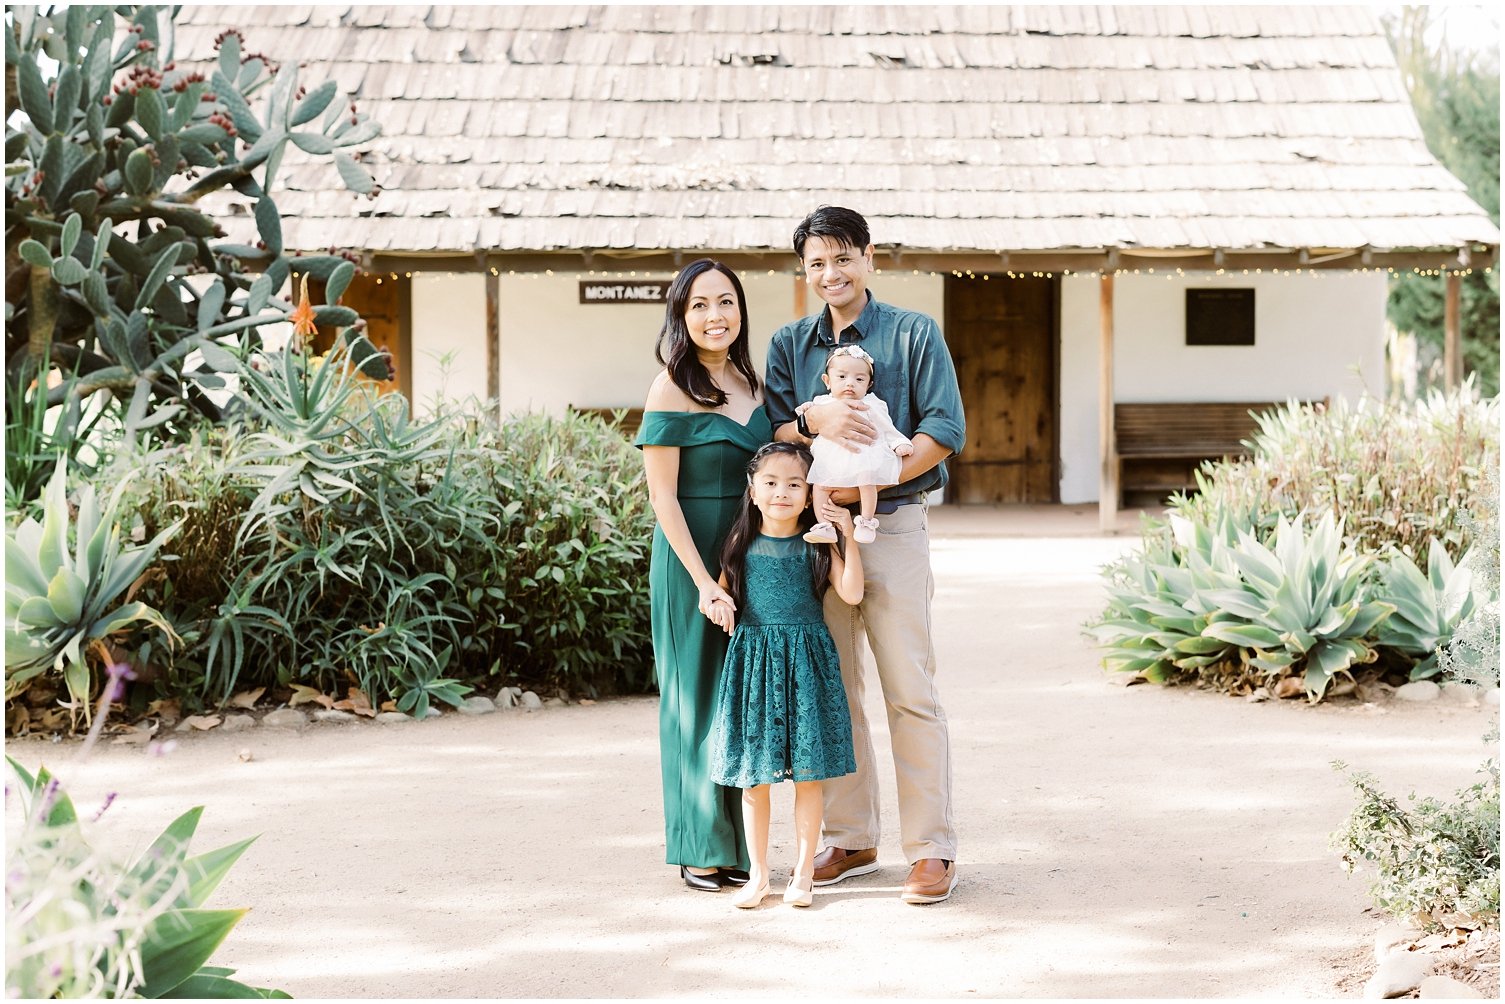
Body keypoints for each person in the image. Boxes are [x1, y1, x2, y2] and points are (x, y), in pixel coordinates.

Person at [764, 206, 967, 905]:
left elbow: (944, 427)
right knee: (832, 688)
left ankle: (931, 849)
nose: (830, 273)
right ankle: (850, 838)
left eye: (842, 258)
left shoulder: (913, 333)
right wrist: (807, 418)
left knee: (910, 690)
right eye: (816, 262)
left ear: (869, 257)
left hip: (894, 525)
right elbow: (773, 432)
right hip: (816, 534)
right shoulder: (789, 344)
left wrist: (870, 484)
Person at [635, 258, 771, 892]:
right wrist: (703, 583)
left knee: (740, 699)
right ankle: (699, 845)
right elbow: (663, 499)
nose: (715, 316)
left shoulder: (756, 383)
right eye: (699, 306)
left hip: (749, 558)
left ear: (740, 311)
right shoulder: (670, 387)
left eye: (726, 302)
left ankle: (744, 844)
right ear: (681, 318)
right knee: (694, 700)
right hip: (690, 558)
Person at [702, 442, 864, 909]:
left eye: (795, 484)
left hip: (806, 665)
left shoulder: (816, 545)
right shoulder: (739, 544)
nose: (782, 492)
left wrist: (846, 536)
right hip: (754, 665)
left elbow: (851, 593)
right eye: (771, 483)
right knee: (756, 779)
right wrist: (716, 602)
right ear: (752, 490)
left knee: (809, 778)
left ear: (810, 492)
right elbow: (721, 594)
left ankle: (803, 874)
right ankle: (758, 875)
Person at [797, 344, 913, 545]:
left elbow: (886, 427)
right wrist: (808, 410)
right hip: (832, 460)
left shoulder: (872, 404)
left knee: (866, 480)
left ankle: (867, 521)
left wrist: (898, 442)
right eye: (842, 377)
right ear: (827, 381)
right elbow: (808, 415)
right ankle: (825, 526)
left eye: (859, 379)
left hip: (862, 455)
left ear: (868, 384)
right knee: (820, 486)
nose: (850, 384)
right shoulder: (823, 401)